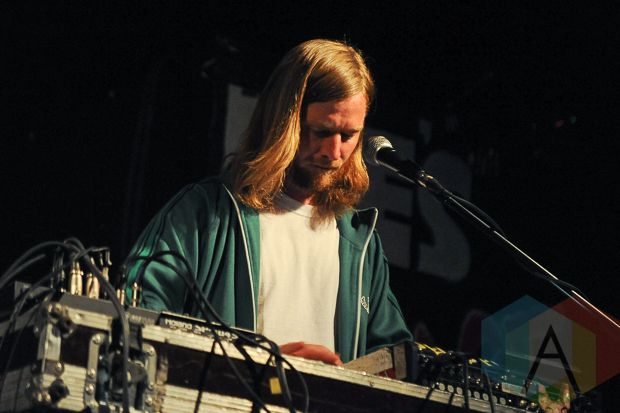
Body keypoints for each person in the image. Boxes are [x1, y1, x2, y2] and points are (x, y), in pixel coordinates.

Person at [125, 39, 412, 366]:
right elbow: (137, 311)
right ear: (283, 120)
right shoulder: (204, 211)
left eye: (348, 136)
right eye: (320, 131)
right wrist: (259, 367)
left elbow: (395, 362)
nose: (334, 153)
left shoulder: (361, 244)